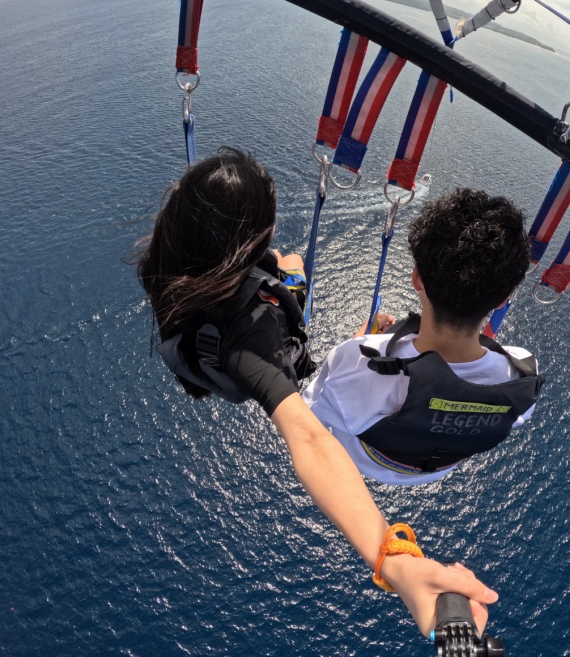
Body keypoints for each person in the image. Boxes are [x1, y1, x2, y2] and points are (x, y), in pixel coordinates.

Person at [136, 147, 497, 636]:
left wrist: (279, 275)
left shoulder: (168, 259)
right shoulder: (253, 340)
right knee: (293, 263)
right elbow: (307, 436)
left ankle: (288, 275)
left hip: (217, 335)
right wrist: (393, 558)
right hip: (258, 353)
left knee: (290, 262)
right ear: (245, 246)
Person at [303, 188, 544, 485]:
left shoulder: (358, 361)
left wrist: (365, 339)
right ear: (503, 299)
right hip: (435, 468)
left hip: (364, 457)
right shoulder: (521, 374)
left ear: (417, 277)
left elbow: (310, 409)